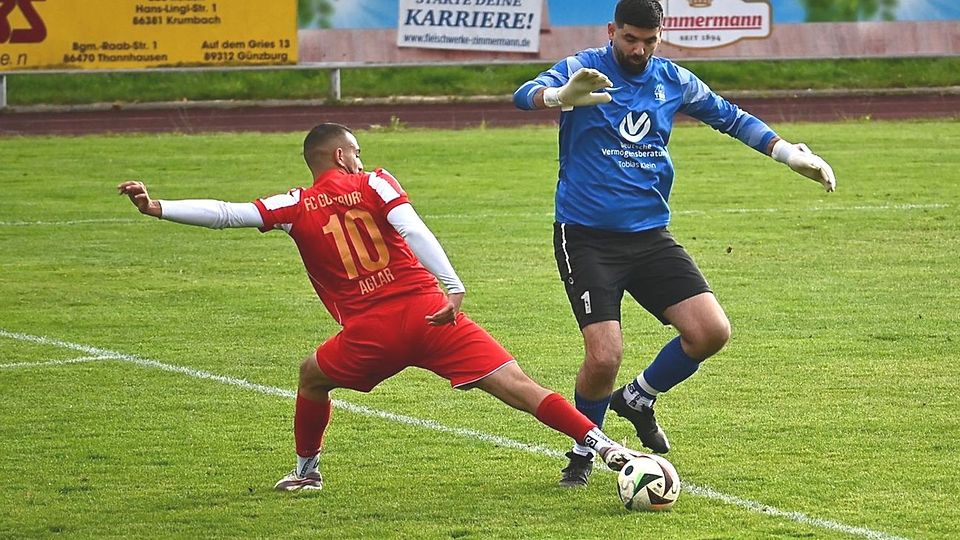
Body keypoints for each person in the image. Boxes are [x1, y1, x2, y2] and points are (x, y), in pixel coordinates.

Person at [118, 122, 642, 491]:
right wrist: (452, 285)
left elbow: (227, 214)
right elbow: (412, 227)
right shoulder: (376, 182)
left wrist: (157, 207)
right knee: (522, 388)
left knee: (311, 377)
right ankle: (604, 446)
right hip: (431, 312)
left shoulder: (294, 203)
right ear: (342, 156)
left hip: (370, 332)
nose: (362, 159)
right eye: (358, 150)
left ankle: (306, 470)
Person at [513, 0, 837, 487]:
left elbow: (731, 116)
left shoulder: (674, 80)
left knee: (711, 331)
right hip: (586, 236)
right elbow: (523, 94)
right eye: (629, 39)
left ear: (661, 35)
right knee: (604, 356)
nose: (638, 49)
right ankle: (583, 450)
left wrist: (790, 155)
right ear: (612, 31)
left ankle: (638, 397)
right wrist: (560, 95)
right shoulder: (583, 68)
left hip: (649, 236)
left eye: (648, 40)